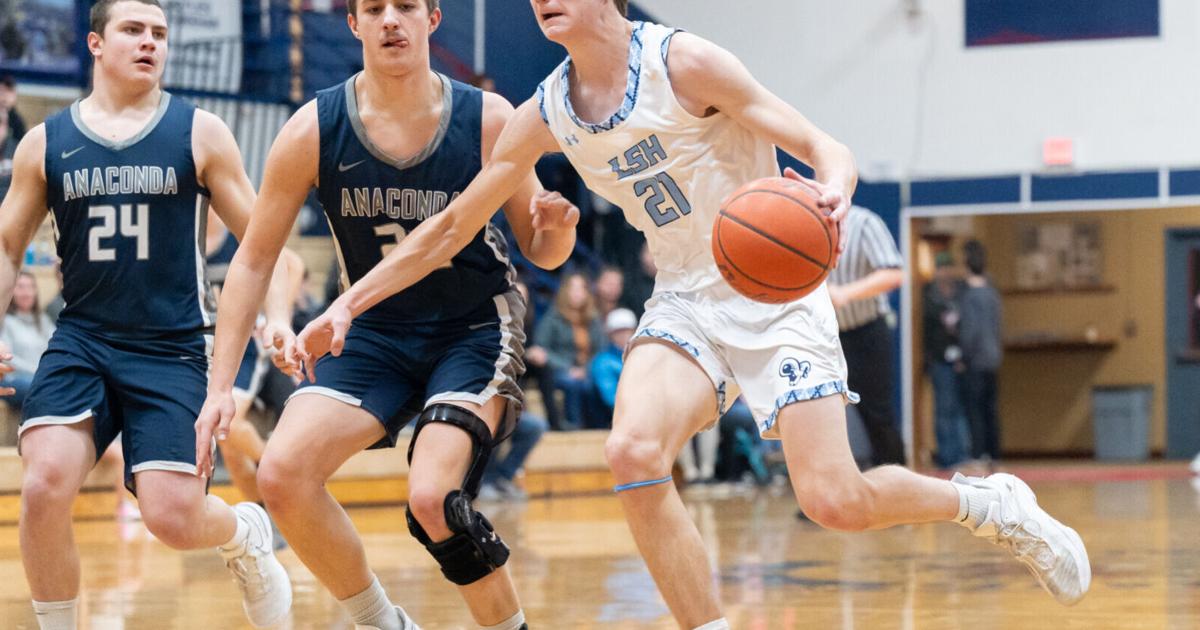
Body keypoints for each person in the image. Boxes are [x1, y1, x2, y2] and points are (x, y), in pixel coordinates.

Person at [294, 1, 1091, 626]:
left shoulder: (685, 62)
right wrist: (347, 305)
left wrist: (832, 196)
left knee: (835, 501)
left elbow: (825, 145)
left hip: (774, 293)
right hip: (683, 293)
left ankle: (990, 504)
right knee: (632, 450)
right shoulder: (545, 110)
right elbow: (454, 225)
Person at [191, 0, 579, 628]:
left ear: (433, 19)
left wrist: (558, 228)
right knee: (283, 474)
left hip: (473, 327)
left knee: (432, 498)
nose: (390, 20)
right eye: (374, 8)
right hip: (372, 330)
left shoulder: (487, 118)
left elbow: (544, 252)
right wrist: (219, 389)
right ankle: (382, 622)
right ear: (354, 24)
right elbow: (254, 259)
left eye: (406, 7)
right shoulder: (313, 128)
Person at [0, 1, 297, 627]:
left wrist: (277, 317)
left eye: (160, 33)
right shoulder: (44, 142)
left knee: (172, 518)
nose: (149, 43)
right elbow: (6, 245)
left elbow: (266, 245)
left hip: (174, 344)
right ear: (95, 44)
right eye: (133, 30)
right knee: (44, 484)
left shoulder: (199, 132)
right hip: (82, 337)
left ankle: (244, 530)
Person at [826, 205, 906, 466]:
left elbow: (894, 273)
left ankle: (899, 491)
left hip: (866, 332)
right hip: (825, 336)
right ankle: (822, 500)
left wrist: (845, 293)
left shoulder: (865, 222)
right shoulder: (799, 221)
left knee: (878, 415)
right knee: (819, 417)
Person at [532, 270, 605, 429]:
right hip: (560, 369)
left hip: (587, 370)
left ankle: (598, 427)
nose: (578, 293)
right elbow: (540, 349)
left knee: (591, 385)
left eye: (582, 288)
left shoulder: (593, 320)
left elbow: (601, 351)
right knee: (572, 383)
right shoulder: (553, 317)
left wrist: (586, 370)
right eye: (574, 288)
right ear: (565, 291)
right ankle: (574, 427)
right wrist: (568, 368)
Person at [923, 251, 971, 468]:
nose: (945, 273)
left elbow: (968, 325)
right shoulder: (929, 295)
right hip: (939, 359)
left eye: (948, 268)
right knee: (944, 409)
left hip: (961, 359)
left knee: (960, 408)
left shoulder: (961, 293)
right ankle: (947, 456)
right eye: (941, 268)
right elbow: (926, 330)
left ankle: (961, 454)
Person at [959, 240, 1002, 463]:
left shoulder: (970, 296)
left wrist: (963, 356)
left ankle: (978, 453)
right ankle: (994, 452)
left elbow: (970, 331)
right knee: (990, 409)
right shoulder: (992, 293)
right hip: (993, 357)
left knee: (974, 409)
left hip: (975, 359)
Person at [0, 270, 53, 407]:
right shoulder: (5, 321)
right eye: (21, 287)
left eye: (30, 287)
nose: (26, 292)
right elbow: (8, 359)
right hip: (16, 378)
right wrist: (38, 371)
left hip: (44, 376)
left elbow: (57, 347)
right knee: (42, 388)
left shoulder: (44, 320)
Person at [589, 306, 635, 425]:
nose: (624, 335)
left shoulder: (641, 357)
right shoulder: (602, 361)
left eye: (627, 330)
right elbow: (610, 398)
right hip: (614, 419)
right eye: (619, 332)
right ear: (610, 335)